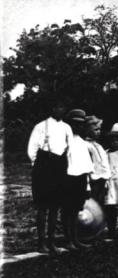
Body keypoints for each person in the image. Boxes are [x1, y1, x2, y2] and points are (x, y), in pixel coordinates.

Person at [27, 103, 72, 254]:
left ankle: (51, 242)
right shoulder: (41, 126)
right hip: (44, 166)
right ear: (52, 108)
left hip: (60, 166)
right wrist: (39, 165)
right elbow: (32, 148)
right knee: (42, 206)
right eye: (57, 106)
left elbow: (70, 148)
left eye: (62, 107)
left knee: (55, 206)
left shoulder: (67, 128)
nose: (60, 109)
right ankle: (41, 243)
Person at [63, 109, 94, 249]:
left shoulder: (82, 143)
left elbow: (86, 168)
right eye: (74, 124)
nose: (77, 127)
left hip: (80, 180)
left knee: (76, 209)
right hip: (68, 179)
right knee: (67, 209)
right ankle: (68, 239)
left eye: (80, 124)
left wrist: (87, 186)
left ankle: (75, 239)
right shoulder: (64, 142)